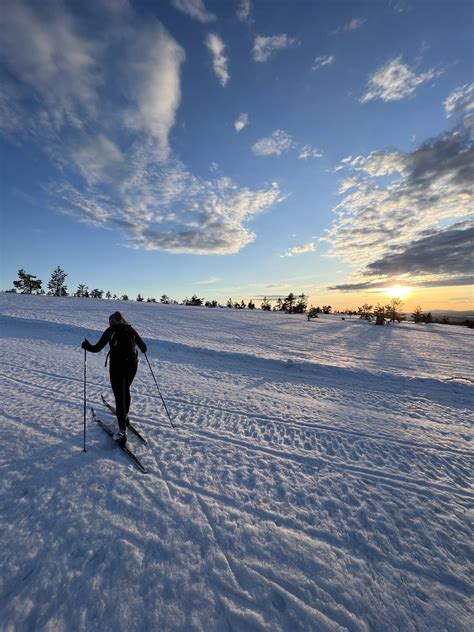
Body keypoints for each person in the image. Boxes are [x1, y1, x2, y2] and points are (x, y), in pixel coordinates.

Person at [82, 312, 147, 445]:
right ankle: (125, 417)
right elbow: (144, 348)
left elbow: (97, 348)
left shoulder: (111, 330)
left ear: (113, 321)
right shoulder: (130, 328)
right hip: (132, 365)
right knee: (126, 390)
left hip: (118, 366)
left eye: (110, 321)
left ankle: (122, 433)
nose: (109, 323)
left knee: (119, 396)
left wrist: (86, 345)